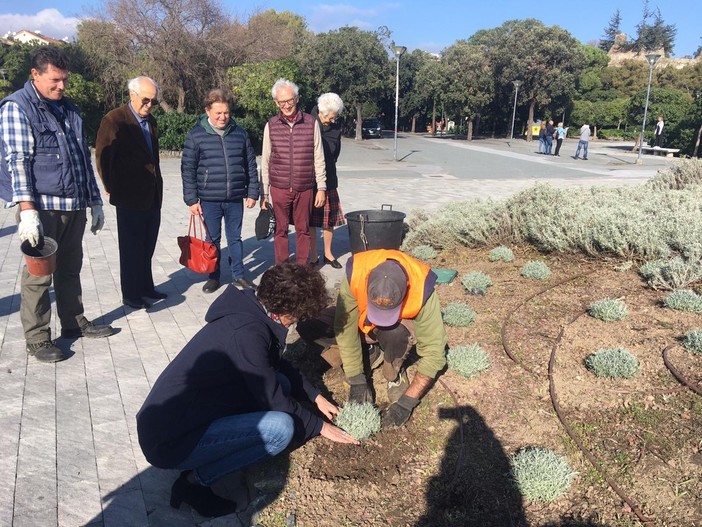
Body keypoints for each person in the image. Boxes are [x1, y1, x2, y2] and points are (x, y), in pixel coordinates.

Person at [136, 263, 358, 518]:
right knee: (280, 430)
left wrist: (314, 395)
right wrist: (319, 427)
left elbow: (272, 365)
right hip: (169, 440)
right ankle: (193, 483)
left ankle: (211, 455)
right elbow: (274, 399)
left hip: (185, 415)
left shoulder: (251, 310)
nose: (297, 323)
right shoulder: (247, 333)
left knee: (284, 384)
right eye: (298, 318)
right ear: (287, 312)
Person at [0, 46, 114, 363]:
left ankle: (73, 322)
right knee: (38, 276)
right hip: (41, 207)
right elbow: (18, 163)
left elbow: (81, 160)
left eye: (64, 79)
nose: (61, 86)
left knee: (70, 270)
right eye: (55, 80)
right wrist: (27, 213)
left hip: (73, 204)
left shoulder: (70, 110)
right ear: (34, 75)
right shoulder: (17, 108)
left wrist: (94, 202)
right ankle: (37, 338)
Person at [334, 249, 447, 427]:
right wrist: (356, 378)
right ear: (367, 281)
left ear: (407, 287)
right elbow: (345, 327)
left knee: (395, 333)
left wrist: (407, 402)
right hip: (365, 325)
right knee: (312, 325)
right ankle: (371, 351)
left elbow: (435, 353)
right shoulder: (356, 272)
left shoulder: (422, 285)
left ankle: (393, 371)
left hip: (395, 332)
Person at [95, 76, 164, 310]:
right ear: (132, 95)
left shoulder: (151, 121)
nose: (149, 105)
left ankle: (146, 286)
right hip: (129, 196)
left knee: (148, 245)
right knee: (131, 248)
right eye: (145, 100)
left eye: (153, 101)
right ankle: (131, 293)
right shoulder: (114, 120)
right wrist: (111, 186)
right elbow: (103, 157)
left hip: (152, 194)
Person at [181, 89, 259, 293]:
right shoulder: (196, 135)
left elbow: (250, 163)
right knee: (212, 240)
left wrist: (252, 192)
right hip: (209, 199)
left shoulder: (239, 133)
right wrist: (191, 200)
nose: (223, 117)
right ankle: (213, 276)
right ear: (208, 111)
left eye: (226, 112)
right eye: (218, 113)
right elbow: (187, 168)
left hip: (235, 197)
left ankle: (239, 276)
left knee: (235, 238)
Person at [260, 79, 326, 266]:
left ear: (297, 99)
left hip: (305, 187)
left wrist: (321, 187)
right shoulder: (271, 125)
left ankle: (302, 269)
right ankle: (282, 267)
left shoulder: (311, 123)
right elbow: (265, 160)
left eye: (290, 100)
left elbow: (318, 156)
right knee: (280, 230)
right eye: (282, 102)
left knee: (303, 229)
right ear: (276, 103)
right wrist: (264, 193)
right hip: (279, 188)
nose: (287, 105)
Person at [309, 92, 345, 269]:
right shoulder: (308, 122)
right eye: (331, 117)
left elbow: (335, 151)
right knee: (311, 221)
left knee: (328, 220)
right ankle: (313, 255)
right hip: (310, 179)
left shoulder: (335, 126)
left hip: (329, 178)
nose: (333, 120)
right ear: (322, 112)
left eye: (335, 117)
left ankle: (328, 254)